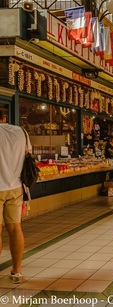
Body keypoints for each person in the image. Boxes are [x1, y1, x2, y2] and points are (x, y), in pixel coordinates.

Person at [0, 110, 28, 284]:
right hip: (16, 187)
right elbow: (27, 155)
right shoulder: (21, 132)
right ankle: (16, 272)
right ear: (4, 118)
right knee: (15, 228)